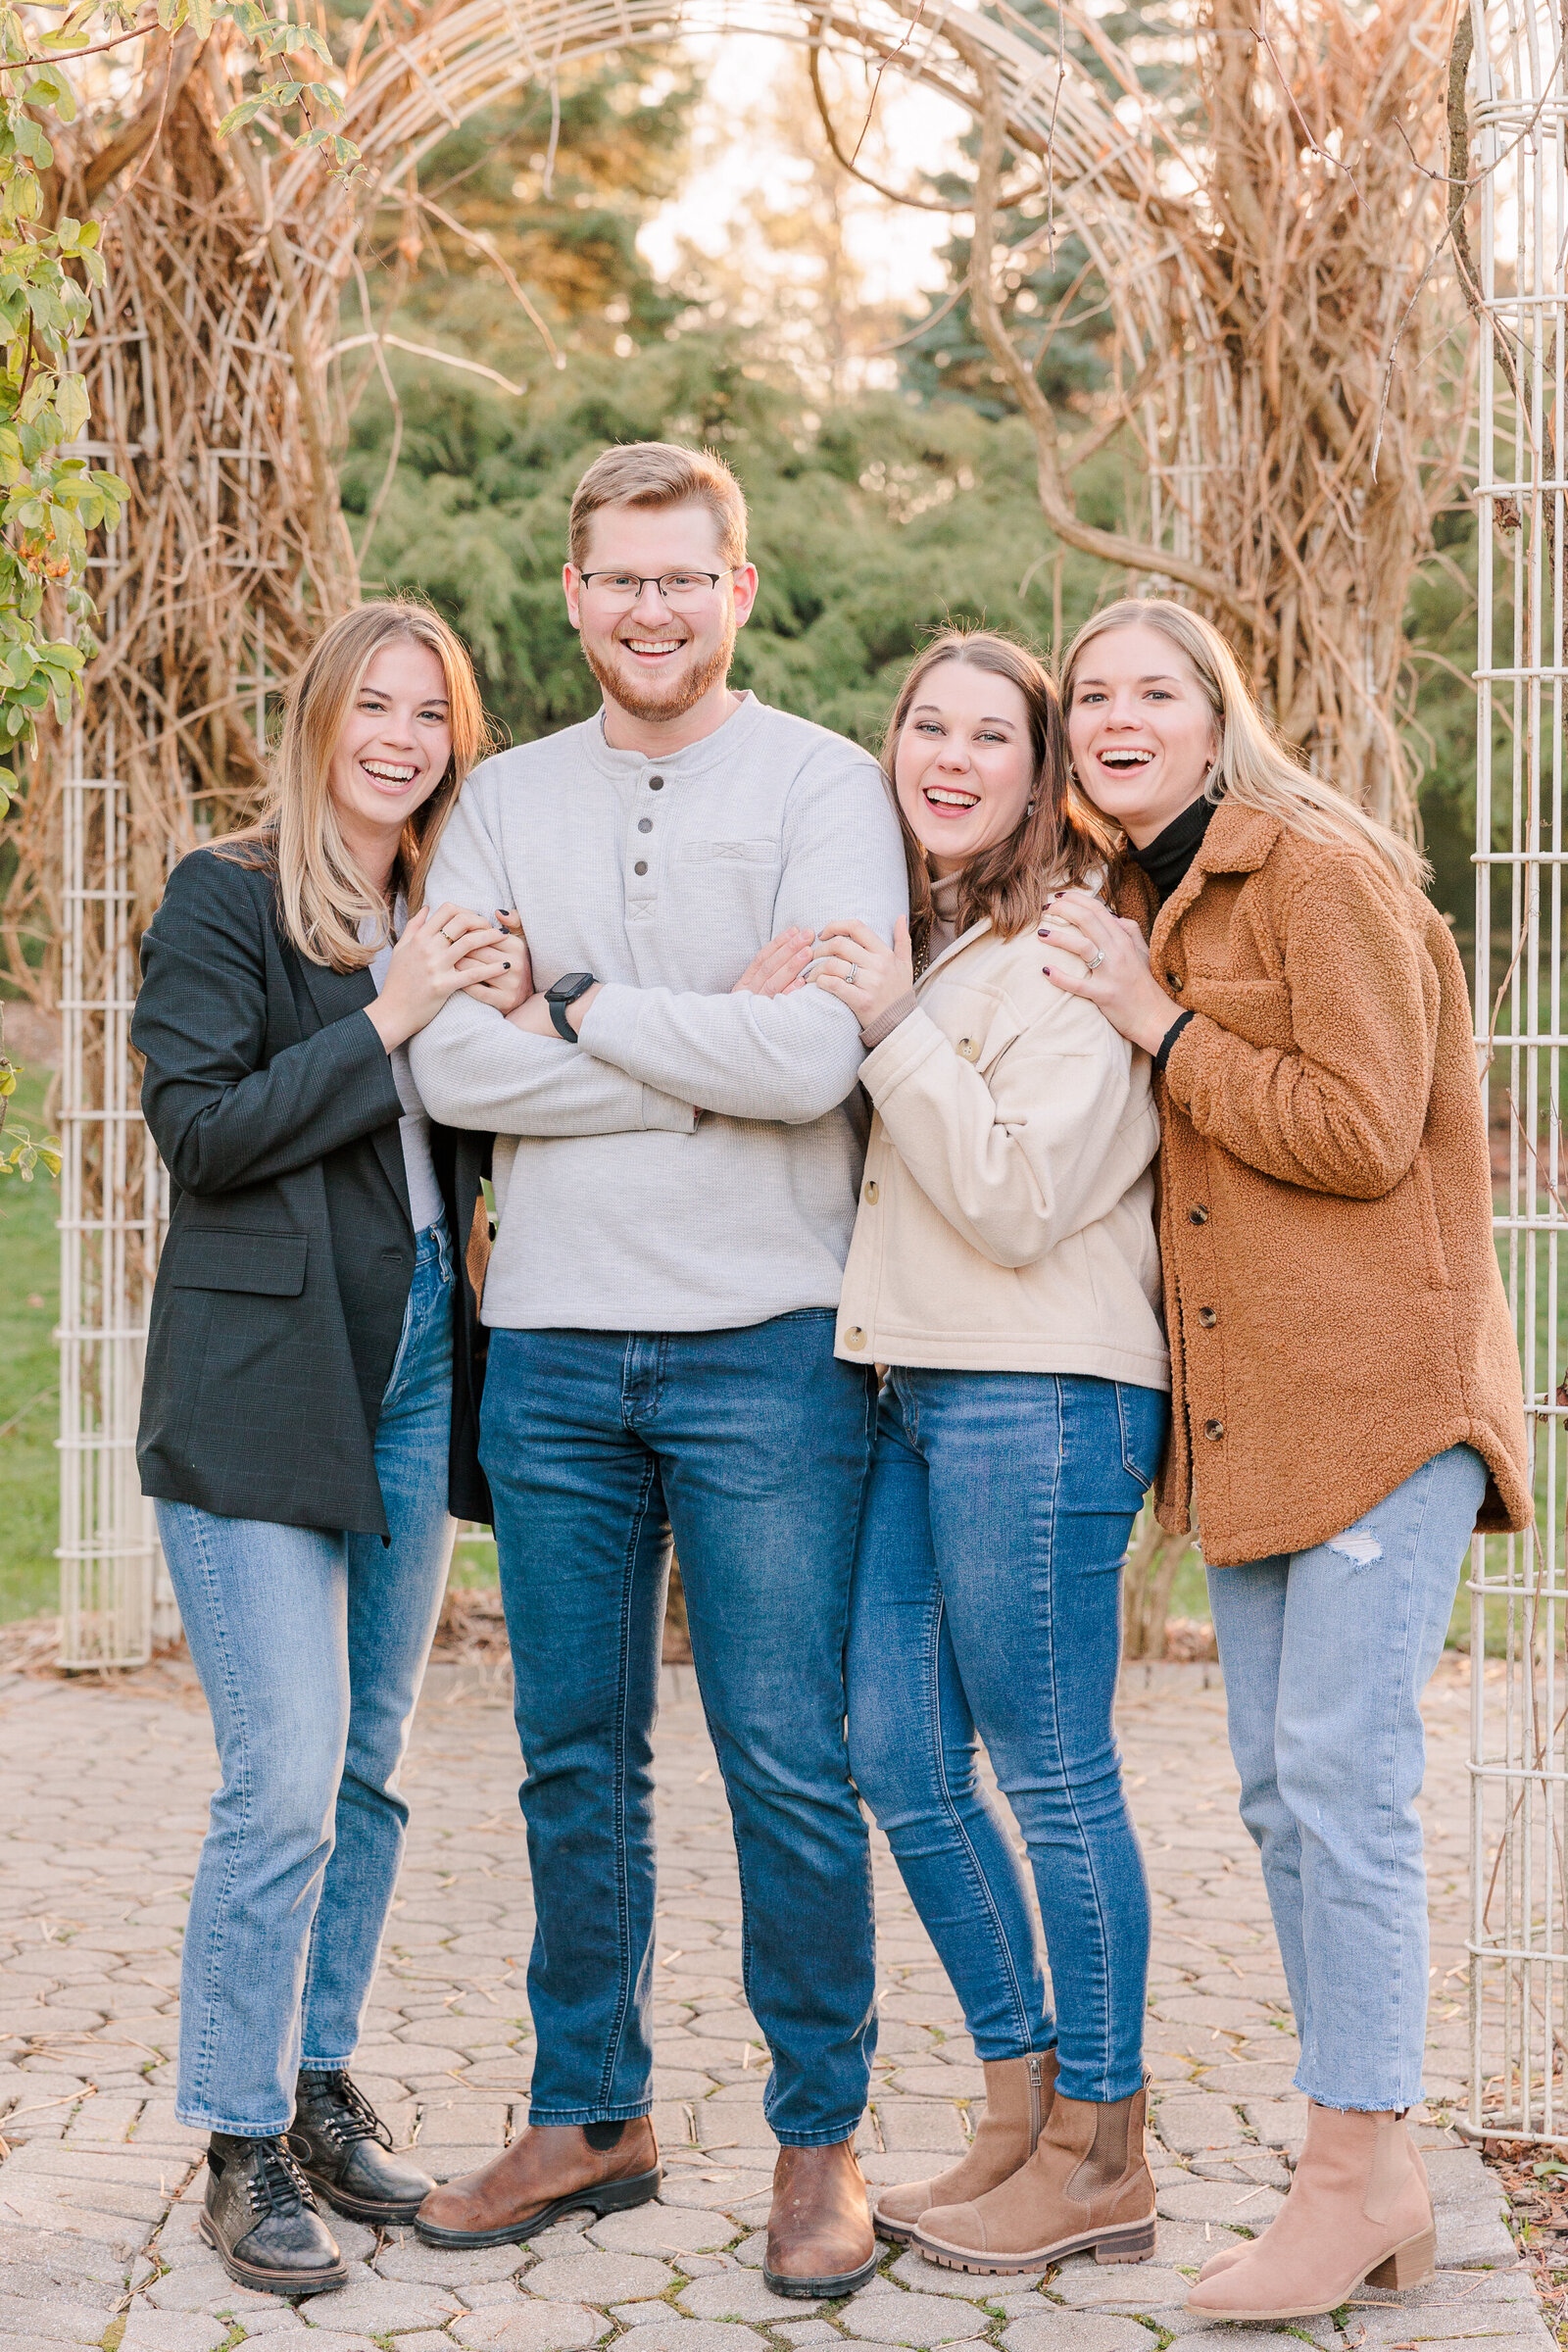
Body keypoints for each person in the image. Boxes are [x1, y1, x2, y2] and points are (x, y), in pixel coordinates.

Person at [406, 442, 909, 2297]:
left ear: (739, 591)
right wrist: (721, 1029)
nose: (649, 608)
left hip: (770, 1343)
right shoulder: (501, 803)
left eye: (683, 577)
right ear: (572, 596)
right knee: (570, 1757)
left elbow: (815, 1070)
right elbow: (449, 1071)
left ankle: (818, 2142)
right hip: (548, 1349)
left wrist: (585, 1005)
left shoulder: (828, 785)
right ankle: (591, 2108)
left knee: (788, 1753)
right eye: (618, 578)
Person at [1037, 598, 1530, 2322]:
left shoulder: (1313, 872)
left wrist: (1151, 1023)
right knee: (1276, 1792)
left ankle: (1349, 2171)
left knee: (1338, 1781)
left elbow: (1362, 1126)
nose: (1115, 713)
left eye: (1151, 689)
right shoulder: (1142, 900)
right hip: (1250, 1428)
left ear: (1215, 712)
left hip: (1384, 1403)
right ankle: (1370, 2178)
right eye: (1089, 692)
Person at [133, 601, 525, 2296]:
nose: (400, 735)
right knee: (281, 1771)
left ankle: (311, 2088)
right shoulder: (227, 897)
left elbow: (497, 1122)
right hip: (264, 1375)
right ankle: (233, 2140)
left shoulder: (450, 905)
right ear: (317, 720)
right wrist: (389, 1009)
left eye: (428, 710)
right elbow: (204, 1130)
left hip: (424, 1356)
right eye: (371, 703)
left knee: (366, 1765)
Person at [803, 629, 1168, 2275]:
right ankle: (1021, 2112)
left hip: (1041, 1388)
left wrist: (887, 1023)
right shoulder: (943, 934)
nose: (950, 758)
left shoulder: (1082, 941)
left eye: (991, 737)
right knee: (896, 1756)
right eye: (924, 728)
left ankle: (1106, 2152)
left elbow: (1021, 1196)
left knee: (1053, 1768)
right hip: (916, 1390)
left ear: (1040, 773)